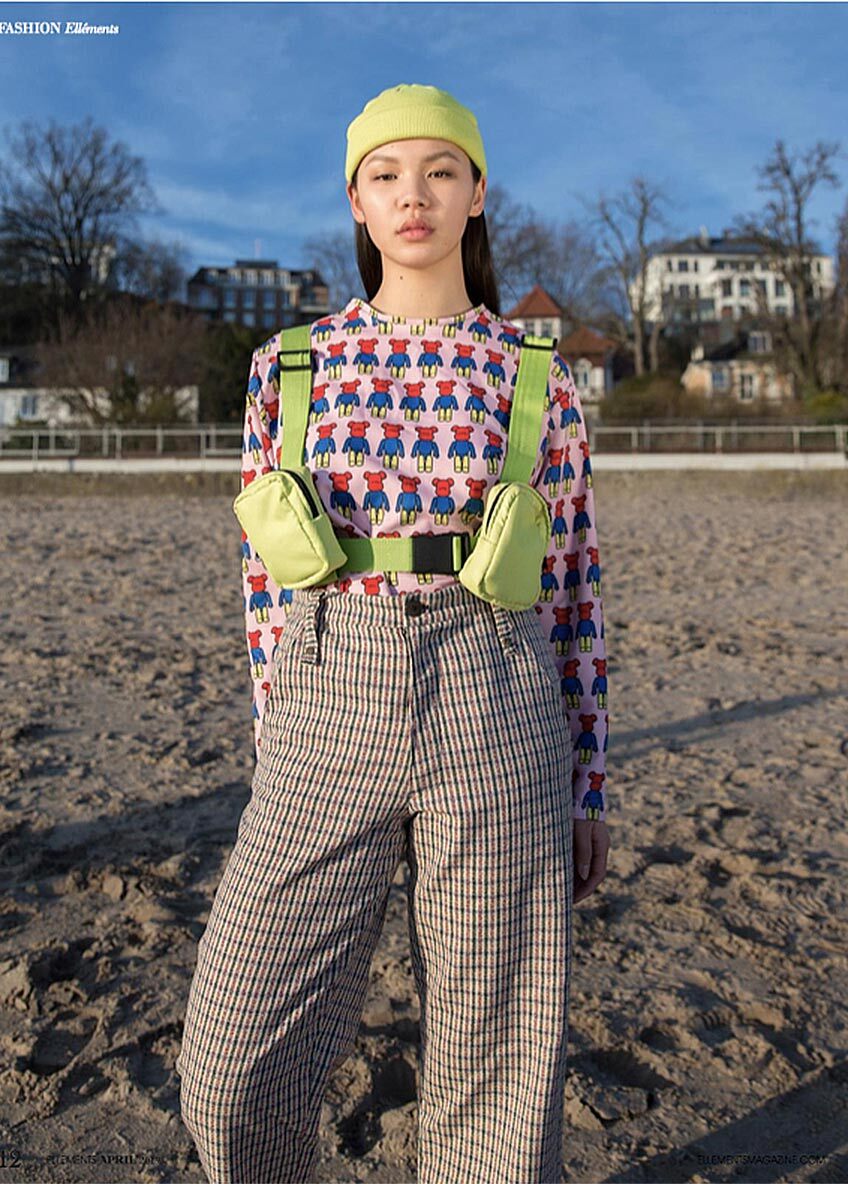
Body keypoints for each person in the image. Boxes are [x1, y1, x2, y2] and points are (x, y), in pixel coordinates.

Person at [176, 82, 611, 1184]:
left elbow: (571, 586)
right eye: (385, 174)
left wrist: (589, 785)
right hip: (327, 689)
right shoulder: (288, 366)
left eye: (438, 171)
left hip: (495, 692)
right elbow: (264, 581)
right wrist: (278, 733)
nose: (412, 194)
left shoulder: (536, 374)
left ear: (476, 195)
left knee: (497, 1068)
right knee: (229, 1064)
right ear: (356, 203)